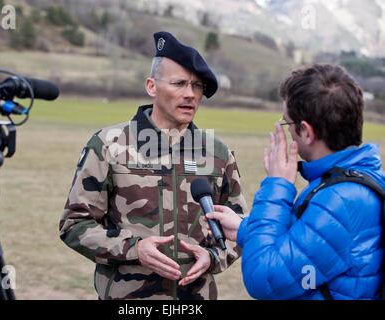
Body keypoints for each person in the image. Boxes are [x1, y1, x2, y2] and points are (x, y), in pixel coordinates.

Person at [59, 31, 247, 300]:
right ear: (151, 86)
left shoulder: (218, 153)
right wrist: (135, 249)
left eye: (197, 86)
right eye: (179, 84)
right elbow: (74, 225)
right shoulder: (108, 145)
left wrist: (212, 256)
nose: (190, 95)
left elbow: (239, 228)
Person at [206, 64, 385, 299]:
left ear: (306, 132)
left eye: (287, 122)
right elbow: (304, 247)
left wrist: (277, 185)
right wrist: (245, 228)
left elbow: (264, 278)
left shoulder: (340, 201)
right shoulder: (353, 181)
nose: (286, 131)